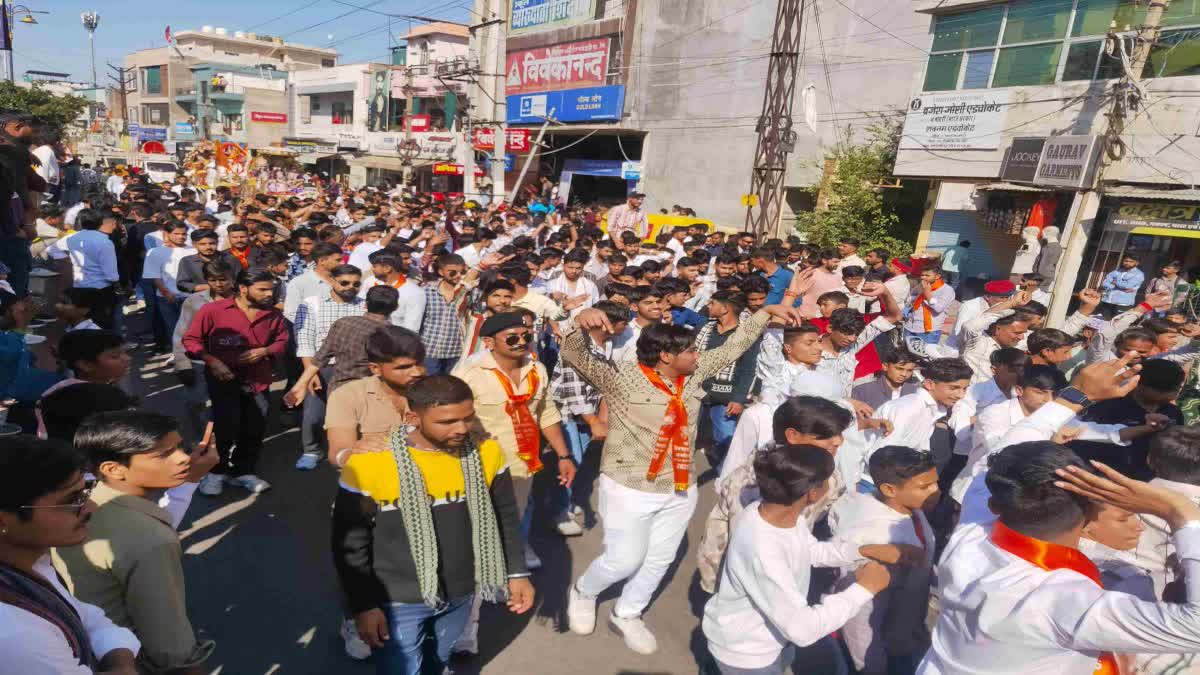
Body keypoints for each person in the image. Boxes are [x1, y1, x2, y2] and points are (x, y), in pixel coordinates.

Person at [561, 300, 801, 654]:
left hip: (679, 485)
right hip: (629, 484)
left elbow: (735, 346)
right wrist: (579, 323)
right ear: (666, 357)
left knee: (660, 557)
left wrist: (765, 313)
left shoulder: (692, 375)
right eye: (689, 350)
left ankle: (628, 612)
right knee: (623, 558)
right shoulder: (622, 377)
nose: (697, 354)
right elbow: (575, 355)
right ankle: (584, 591)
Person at [919, 440, 1200, 674]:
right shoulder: (1059, 600)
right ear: (1090, 514)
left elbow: (988, 471)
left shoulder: (969, 536)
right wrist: (1179, 509)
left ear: (994, 504)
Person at [332, 376, 534, 675]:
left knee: (439, 659)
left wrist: (517, 573)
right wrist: (363, 606)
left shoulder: (487, 453)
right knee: (401, 669)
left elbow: (504, 516)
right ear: (413, 417)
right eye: (448, 421)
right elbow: (350, 544)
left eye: (468, 418)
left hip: (462, 590)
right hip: (396, 598)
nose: (462, 429)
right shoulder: (370, 464)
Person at [702, 443, 909, 675]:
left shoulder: (777, 513)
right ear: (813, 493)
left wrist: (864, 550)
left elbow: (810, 551)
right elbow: (802, 628)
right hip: (748, 655)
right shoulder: (764, 548)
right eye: (829, 479)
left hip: (768, 639)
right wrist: (864, 588)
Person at [53, 411, 213, 674]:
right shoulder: (151, 540)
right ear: (113, 469)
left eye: (181, 448)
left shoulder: (84, 503)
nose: (184, 458)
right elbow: (169, 643)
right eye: (164, 454)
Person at [0, 435, 142, 674]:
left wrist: (121, 664)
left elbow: (86, 618)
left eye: (85, 492)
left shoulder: (31, 562)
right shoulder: (17, 637)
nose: (90, 508)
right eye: (72, 500)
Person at [452, 311, 575, 564]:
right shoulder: (470, 372)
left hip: (522, 464)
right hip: (479, 464)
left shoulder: (536, 369)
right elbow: (449, 417)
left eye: (526, 336)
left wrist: (564, 455)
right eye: (511, 338)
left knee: (511, 519)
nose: (521, 342)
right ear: (489, 343)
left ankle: (503, 568)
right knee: (477, 524)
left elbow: (546, 413)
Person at [829, 446, 939, 674]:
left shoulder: (910, 509)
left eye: (936, 483)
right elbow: (861, 618)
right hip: (879, 640)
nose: (935, 491)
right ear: (889, 489)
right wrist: (870, 665)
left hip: (906, 621)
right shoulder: (875, 535)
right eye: (925, 487)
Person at [183, 268, 289, 496]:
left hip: (258, 381)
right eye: (262, 289)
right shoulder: (213, 311)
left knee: (255, 426)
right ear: (243, 288)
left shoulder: (273, 314)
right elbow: (190, 340)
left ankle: (243, 472)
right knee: (224, 426)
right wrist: (211, 360)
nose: (269, 294)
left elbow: (282, 340)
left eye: (271, 289)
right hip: (222, 380)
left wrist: (265, 351)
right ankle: (215, 472)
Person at [294, 264, 367, 470]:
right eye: (344, 283)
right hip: (321, 368)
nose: (350, 287)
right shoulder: (312, 304)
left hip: (355, 369)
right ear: (332, 281)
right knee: (314, 413)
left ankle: (351, 450)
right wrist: (310, 372)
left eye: (356, 284)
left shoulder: (364, 306)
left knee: (354, 413)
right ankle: (311, 451)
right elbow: (305, 340)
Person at [287, 285, 398, 404]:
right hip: (372, 396)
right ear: (395, 307)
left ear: (366, 304)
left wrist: (300, 385)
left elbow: (319, 359)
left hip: (339, 391)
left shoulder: (343, 323)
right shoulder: (393, 335)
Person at [142, 222, 195, 347]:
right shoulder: (155, 252)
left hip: (190, 296)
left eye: (184, 234)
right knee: (174, 329)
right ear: (166, 234)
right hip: (167, 297)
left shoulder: (193, 250)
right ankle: (179, 356)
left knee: (191, 329)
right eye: (176, 233)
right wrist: (166, 292)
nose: (181, 237)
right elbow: (154, 275)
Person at [420, 253, 472, 375]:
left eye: (462, 272)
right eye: (452, 272)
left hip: (456, 351)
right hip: (429, 350)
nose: (458, 276)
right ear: (441, 272)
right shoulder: (427, 290)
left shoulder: (469, 292)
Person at [359, 250, 425, 332]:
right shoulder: (370, 281)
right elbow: (360, 308)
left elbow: (411, 328)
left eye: (374, 266)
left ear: (387, 268)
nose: (372, 269)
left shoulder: (414, 293)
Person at [850, 347, 920, 410]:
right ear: (885, 366)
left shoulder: (916, 393)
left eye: (909, 370)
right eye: (899, 369)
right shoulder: (862, 391)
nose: (904, 374)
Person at [903, 265, 955, 345]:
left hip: (928, 331)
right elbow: (910, 298)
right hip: (910, 326)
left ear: (937, 276)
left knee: (925, 355)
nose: (923, 277)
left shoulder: (947, 290)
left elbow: (938, 308)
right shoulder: (921, 285)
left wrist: (927, 294)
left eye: (927, 275)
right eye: (922, 275)